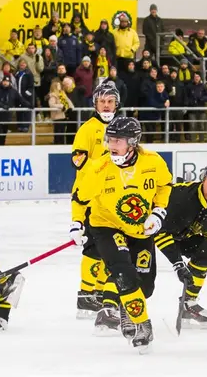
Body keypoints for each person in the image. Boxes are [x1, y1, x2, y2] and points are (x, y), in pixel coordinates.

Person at [70, 117, 173, 353]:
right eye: (109, 139)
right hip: (106, 226)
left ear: (133, 142)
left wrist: (158, 212)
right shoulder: (98, 168)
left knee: (145, 285)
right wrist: (76, 223)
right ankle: (142, 324)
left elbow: (165, 186)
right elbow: (80, 198)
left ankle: (129, 307)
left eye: (118, 140)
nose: (111, 144)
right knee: (123, 273)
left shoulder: (153, 162)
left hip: (140, 228)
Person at [156, 161, 207, 327]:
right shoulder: (182, 199)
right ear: (203, 180)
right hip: (149, 229)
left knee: (205, 250)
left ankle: (188, 305)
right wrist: (178, 264)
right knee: (142, 274)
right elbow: (159, 233)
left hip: (179, 234)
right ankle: (111, 306)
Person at [71, 80, 119, 319]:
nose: (106, 106)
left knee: (109, 249)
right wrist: (98, 168)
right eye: (102, 102)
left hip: (113, 200)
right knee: (93, 249)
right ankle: (86, 296)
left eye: (110, 102)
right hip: (90, 199)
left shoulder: (121, 127)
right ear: (96, 104)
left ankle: (99, 291)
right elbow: (77, 159)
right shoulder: (88, 128)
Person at [0, 75, 18, 146]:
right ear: (2, 82)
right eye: (4, 81)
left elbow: (20, 99)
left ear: (9, 83)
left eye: (7, 81)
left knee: (4, 135)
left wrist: (29, 104)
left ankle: (2, 149)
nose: (5, 83)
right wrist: (3, 105)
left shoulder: (12, 91)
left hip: (6, 116)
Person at [47, 79, 74, 145]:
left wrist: (71, 107)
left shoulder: (62, 94)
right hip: (57, 116)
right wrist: (61, 106)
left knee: (62, 132)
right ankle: (57, 144)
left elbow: (67, 100)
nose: (60, 87)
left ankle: (61, 144)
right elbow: (52, 104)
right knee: (58, 132)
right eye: (58, 85)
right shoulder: (53, 95)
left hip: (63, 115)